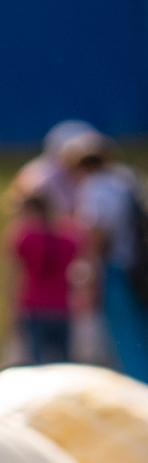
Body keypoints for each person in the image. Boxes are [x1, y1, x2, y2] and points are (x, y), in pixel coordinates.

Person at [66, 130, 148, 379]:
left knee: (125, 337)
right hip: (139, 268)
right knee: (140, 331)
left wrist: (88, 273)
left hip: (116, 269)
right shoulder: (125, 180)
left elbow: (97, 233)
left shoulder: (96, 186)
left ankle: (139, 387)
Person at [5, 186, 83, 366]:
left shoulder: (24, 237)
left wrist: (12, 312)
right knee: (64, 364)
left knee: (37, 366)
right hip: (62, 307)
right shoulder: (68, 237)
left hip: (34, 306)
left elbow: (16, 277)